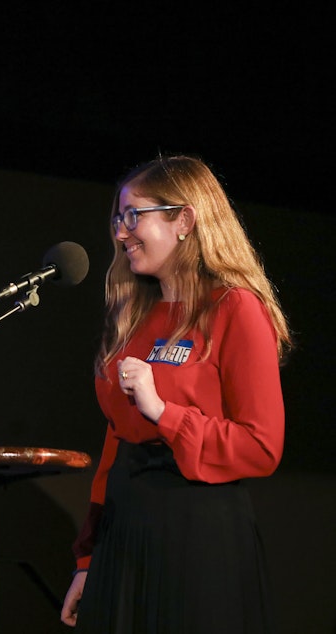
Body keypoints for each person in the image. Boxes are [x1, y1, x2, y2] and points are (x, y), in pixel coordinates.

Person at [60, 154, 291, 633]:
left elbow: (262, 446)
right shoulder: (131, 317)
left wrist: (165, 413)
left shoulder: (234, 309)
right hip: (124, 530)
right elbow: (114, 444)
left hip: (197, 533)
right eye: (117, 218)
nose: (121, 232)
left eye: (133, 215)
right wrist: (87, 559)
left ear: (184, 219)